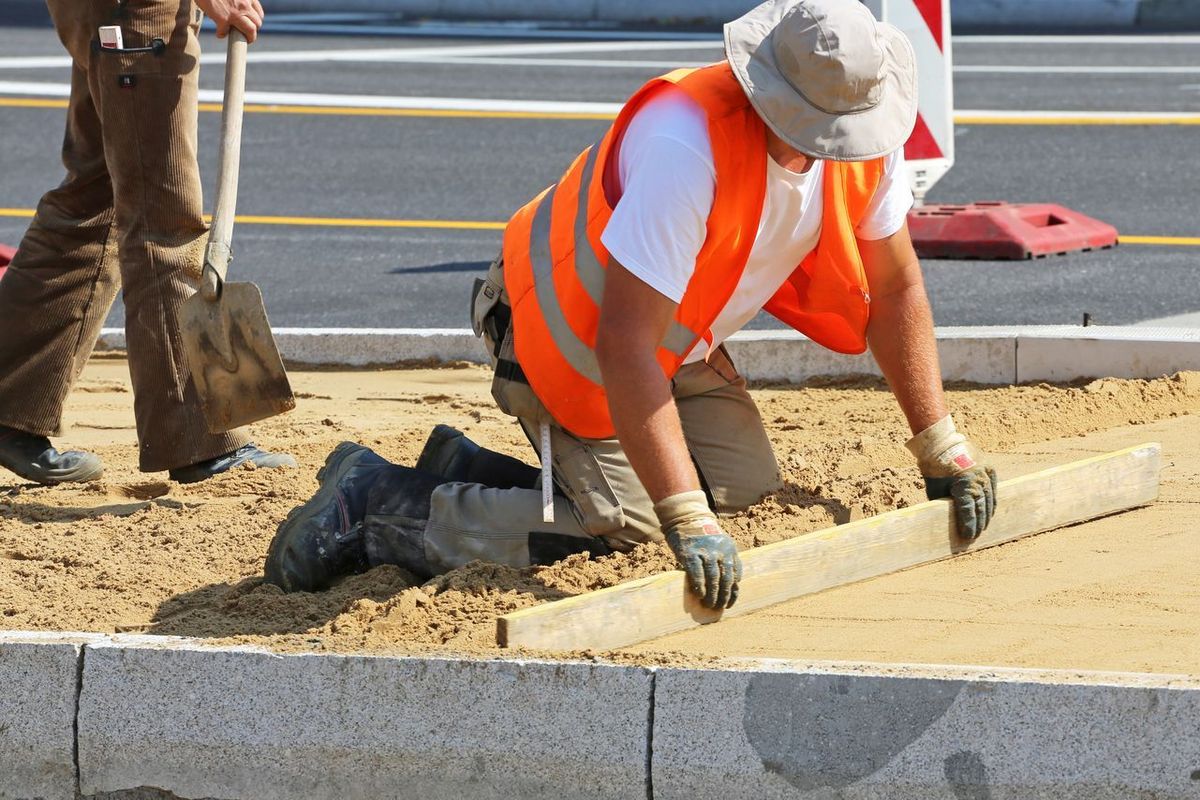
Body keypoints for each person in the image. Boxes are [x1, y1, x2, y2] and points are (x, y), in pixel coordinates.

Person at [264, 0, 998, 608]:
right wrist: (681, 516)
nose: (834, 148)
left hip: (674, 339)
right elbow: (622, 344)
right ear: (770, 93)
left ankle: (471, 471)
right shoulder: (687, 144)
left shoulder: (863, 124)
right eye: (816, 133)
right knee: (644, 528)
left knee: (743, 494)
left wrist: (940, 444)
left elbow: (896, 287)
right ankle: (377, 505)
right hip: (557, 325)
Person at [0, 0, 295, 486]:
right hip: (134, 14)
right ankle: (197, 439)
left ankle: (8, 404)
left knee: (93, 201)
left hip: (107, 13)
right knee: (164, 220)